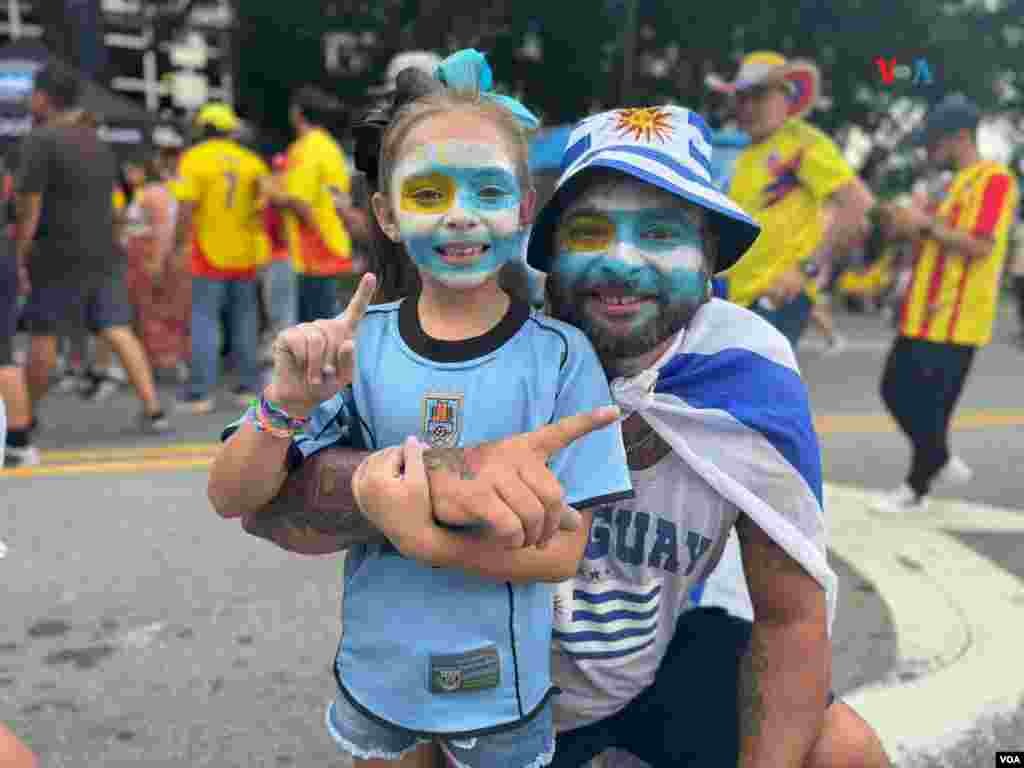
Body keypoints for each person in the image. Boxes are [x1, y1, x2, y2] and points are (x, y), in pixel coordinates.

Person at [216, 101, 890, 768]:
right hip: (488, 680)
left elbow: (790, 617)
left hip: (651, 669)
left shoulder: (745, 371)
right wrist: (413, 480)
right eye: (592, 233)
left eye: (660, 233)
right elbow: (265, 506)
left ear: (709, 252)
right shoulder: (484, 341)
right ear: (550, 247)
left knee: (843, 752)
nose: (623, 263)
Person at [208, 51, 632, 768]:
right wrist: (286, 403)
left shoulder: (561, 358)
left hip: (502, 689)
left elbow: (564, 550)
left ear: (523, 208)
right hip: (380, 673)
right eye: (429, 193)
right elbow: (229, 495)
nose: (461, 214)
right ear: (389, 214)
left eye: (488, 191)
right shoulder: (356, 348)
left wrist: (424, 537)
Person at [872, 94, 1019, 513]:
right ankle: (939, 459)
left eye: (934, 141)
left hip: (959, 316)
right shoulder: (950, 185)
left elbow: (979, 245)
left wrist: (925, 225)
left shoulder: (995, 179)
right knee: (894, 389)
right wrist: (904, 225)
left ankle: (916, 487)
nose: (929, 150)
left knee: (932, 405)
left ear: (957, 137)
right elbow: (931, 236)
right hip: (922, 310)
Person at [14, 63, 170, 438]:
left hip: (55, 251)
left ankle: (25, 417)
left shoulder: (40, 140)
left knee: (44, 333)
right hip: (103, 250)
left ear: (42, 98)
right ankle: (154, 409)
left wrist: (19, 254)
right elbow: (115, 204)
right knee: (116, 328)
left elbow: (30, 207)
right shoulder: (98, 142)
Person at [705, 51, 874, 349]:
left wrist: (806, 270)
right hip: (733, 298)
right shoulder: (744, 152)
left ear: (787, 97)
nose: (748, 107)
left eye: (760, 95)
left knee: (754, 389)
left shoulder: (802, 141)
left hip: (777, 296)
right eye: (742, 97)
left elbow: (857, 203)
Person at [173, 102, 270, 414]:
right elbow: (265, 203)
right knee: (245, 320)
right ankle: (248, 388)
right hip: (245, 252)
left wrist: (177, 245)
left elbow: (186, 208)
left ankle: (201, 392)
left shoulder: (193, 159)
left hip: (207, 252)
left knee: (205, 320)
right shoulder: (251, 161)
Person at [269, 86, 359, 323]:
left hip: (315, 255)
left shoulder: (305, 149)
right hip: (335, 246)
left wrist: (277, 197)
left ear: (297, 113)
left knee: (316, 339)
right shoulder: (330, 146)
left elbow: (300, 201)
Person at [120, 154, 189, 380]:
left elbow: (161, 230)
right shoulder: (150, 192)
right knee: (148, 311)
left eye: (131, 169)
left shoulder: (152, 193)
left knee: (155, 311)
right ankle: (157, 361)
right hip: (145, 255)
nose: (127, 175)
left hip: (148, 256)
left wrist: (157, 262)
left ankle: (162, 362)